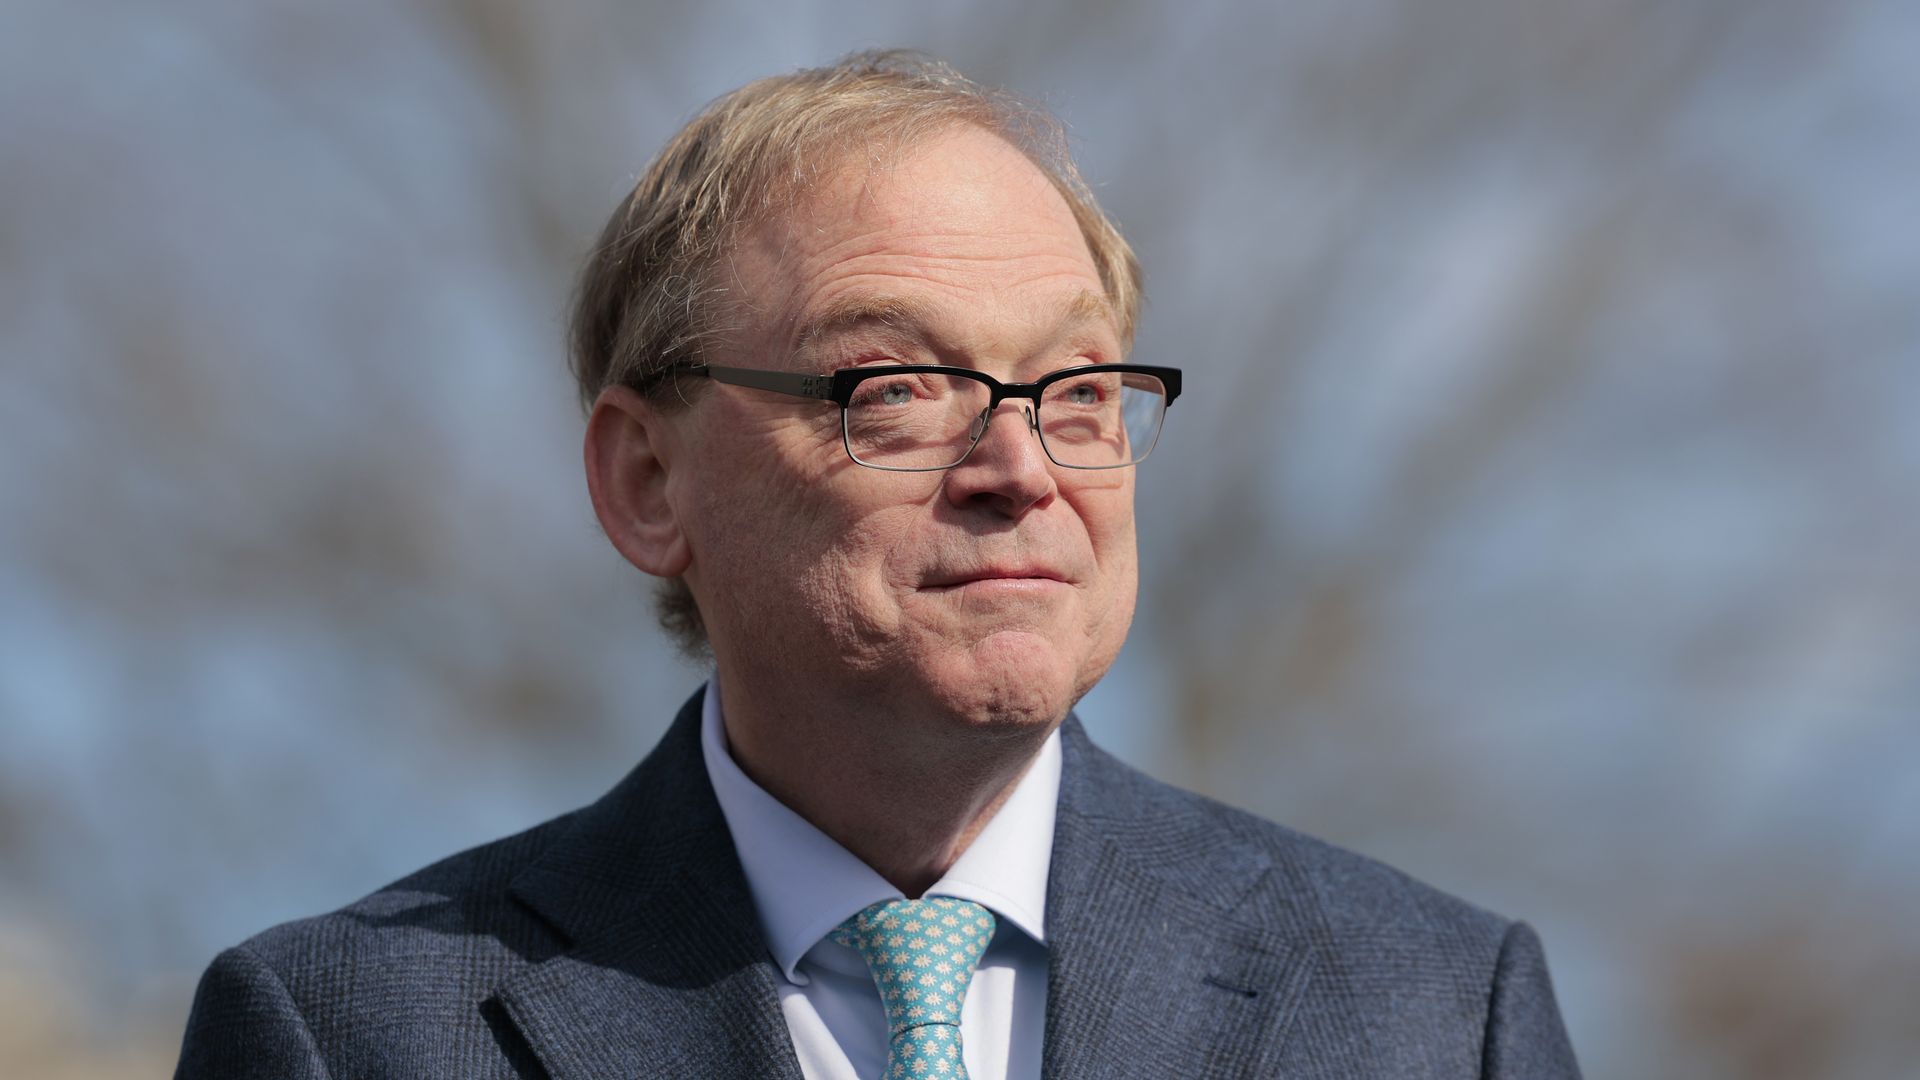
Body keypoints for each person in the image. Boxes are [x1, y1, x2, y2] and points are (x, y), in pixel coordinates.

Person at [175, 50, 1581, 1079]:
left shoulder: (1435, 1014)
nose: (1021, 467)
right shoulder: (349, 1035)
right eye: (896, 387)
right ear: (647, 481)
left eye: (1081, 391)